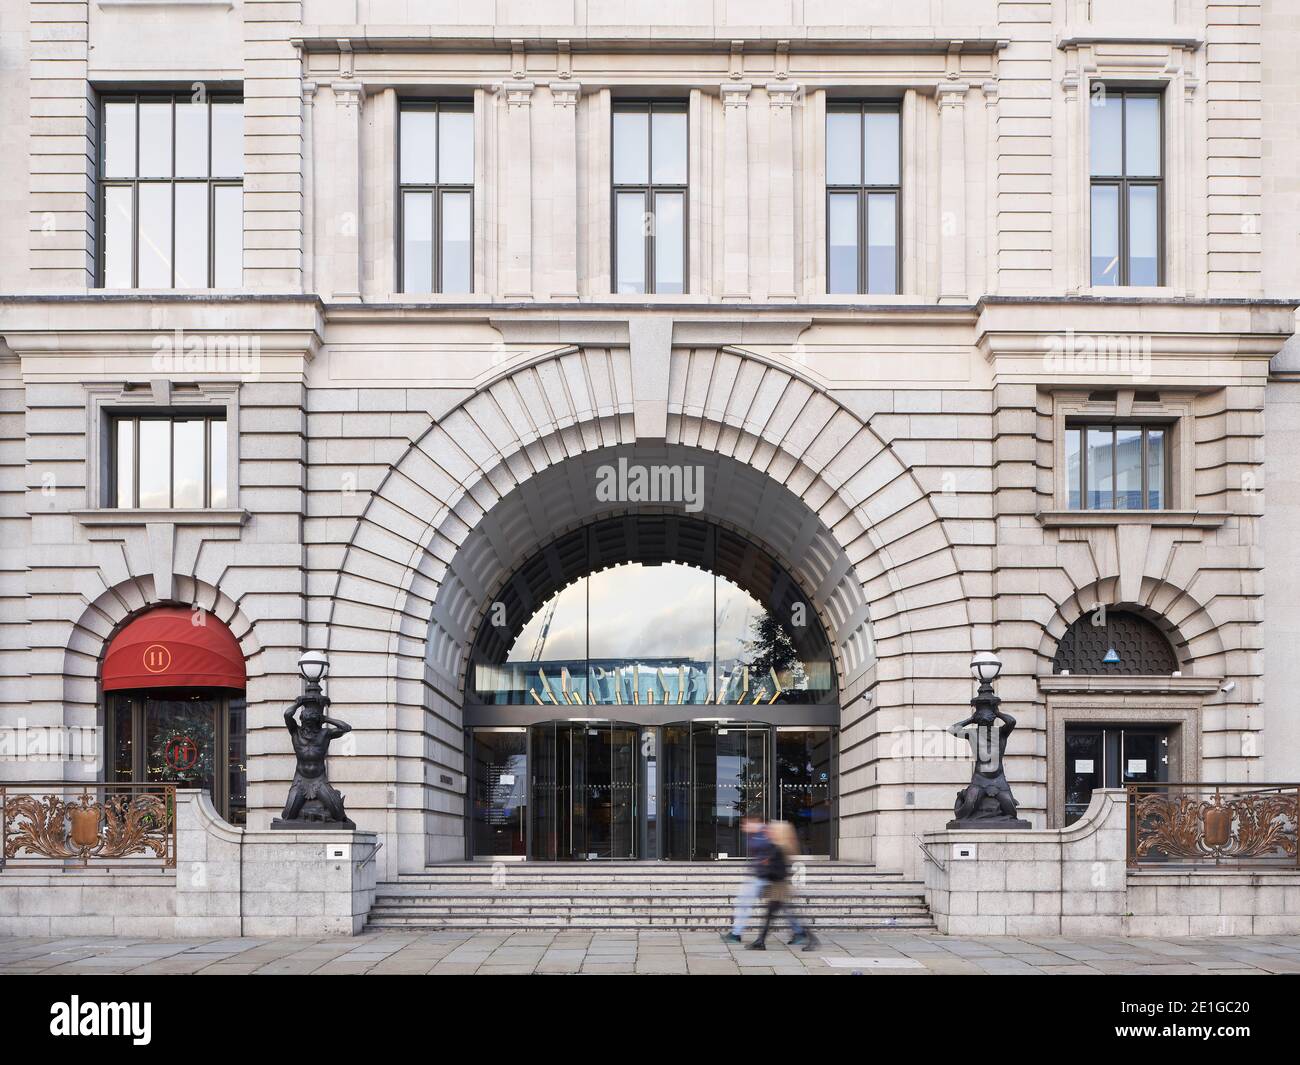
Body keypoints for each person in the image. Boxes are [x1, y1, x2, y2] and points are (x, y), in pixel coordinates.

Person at [749, 819, 819, 951]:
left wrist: (767, 869)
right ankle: (760, 941)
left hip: (779, 888)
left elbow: (780, 871)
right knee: (772, 915)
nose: (769, 832)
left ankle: (812, 940)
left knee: (786, 915)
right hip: (777, 887)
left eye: (772, 830)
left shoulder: (779, 849)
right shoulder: (778, 847)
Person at [720, 815, 767, 944]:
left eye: (746, 824)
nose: (743, 827)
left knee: (743, 903)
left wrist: (760, 866)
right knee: (782, 907)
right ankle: (799, 932)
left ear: (754, 822)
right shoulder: (756, 834)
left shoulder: (764, 834)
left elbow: (769, 853)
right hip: (761, 875)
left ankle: (736, 933)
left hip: (763, 876)